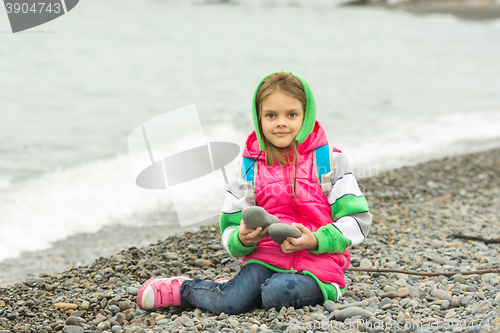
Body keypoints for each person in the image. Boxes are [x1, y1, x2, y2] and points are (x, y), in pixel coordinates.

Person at [136, 70, 372, 315]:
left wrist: (315, 239)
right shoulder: (248, 167)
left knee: (276, 294)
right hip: (264, 259)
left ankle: (241, 289)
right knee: (231, 303)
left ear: (307, 115)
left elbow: (358, 221)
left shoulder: (329, 161)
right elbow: (229, 227)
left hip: (318, 268)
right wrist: (242, 239)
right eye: (271, 115)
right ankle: (183, 289)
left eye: (291, 114)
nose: (281, 122)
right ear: (259, 118)